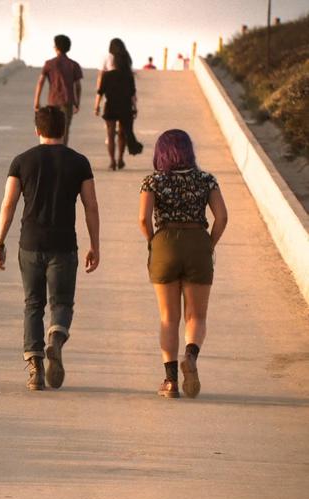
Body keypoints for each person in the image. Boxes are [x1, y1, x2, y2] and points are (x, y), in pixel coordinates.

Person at [0, 106, 101, 391]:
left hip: (30, 244)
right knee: (62, 303)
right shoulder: (79, 162)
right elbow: (91, 206)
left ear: (37, 130)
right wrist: (95, 245)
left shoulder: (21, 161)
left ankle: (35, 370)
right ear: (63, 130)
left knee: (33, 304)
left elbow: (9, 204)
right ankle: (56, 337)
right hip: (64, 245)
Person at [138, 130, 227, 399]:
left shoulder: (153, 181)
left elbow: (143, 219)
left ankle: (170, 381)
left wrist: (153, 242)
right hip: (198, 242)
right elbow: (222, 217)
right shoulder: (206, 180)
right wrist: (209, 244)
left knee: (168, 317)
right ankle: (191, 354)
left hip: (165, 242)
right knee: (196, 316)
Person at [34, 34, 83, 146]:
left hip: (53, 102)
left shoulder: (49, 64)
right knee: (64, 130)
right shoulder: (73, 65)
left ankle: (49, 151)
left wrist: (36, 101)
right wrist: (77, 102)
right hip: (67, 102)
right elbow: (78, 86)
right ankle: (62, 153)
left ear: (56, 47)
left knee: (49, 128)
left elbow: (40, 82)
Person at [94, 51, 138, 170]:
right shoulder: (128, 76)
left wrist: (96, 106)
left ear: (114, 62)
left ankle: (112, 161)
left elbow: (100, 92)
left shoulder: (107, 75)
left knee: (110, 134)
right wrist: (135, 107)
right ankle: (120, 159)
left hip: (111, 107)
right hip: (125, 108)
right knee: (122, 135)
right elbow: (132, 94)